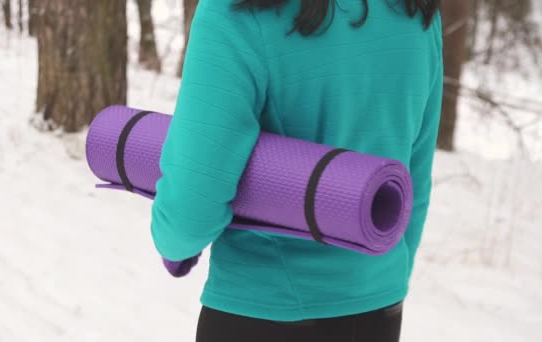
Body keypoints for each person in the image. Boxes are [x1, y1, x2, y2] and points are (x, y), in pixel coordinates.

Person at [150, 0, 443, 341]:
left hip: (262, 310)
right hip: (378, 310)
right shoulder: (414, 10)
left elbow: (192, 204)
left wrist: (175, 244)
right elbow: (413, 181)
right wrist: (374, 277)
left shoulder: (236, 9)